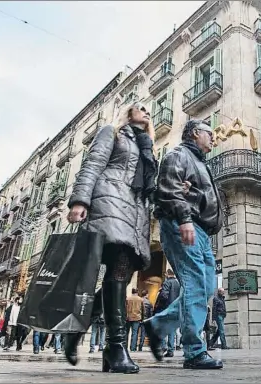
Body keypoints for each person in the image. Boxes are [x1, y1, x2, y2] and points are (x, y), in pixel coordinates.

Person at [65, 102, 157, 374]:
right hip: (111, 202)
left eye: (149, 110)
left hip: (136, 213)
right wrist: (80, 201)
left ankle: (76, 330)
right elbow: (92, 164)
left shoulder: (147, 148)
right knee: (117, 271)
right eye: (142, 107)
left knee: (119, 276)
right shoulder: (112, 132)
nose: (148, 111)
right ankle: (115, 347)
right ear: (129, 113)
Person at [143, 119, 224, 370]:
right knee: (196, 284)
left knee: (207, 286)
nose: (214, 138)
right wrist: (185, 219)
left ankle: (157, 326)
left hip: (200, 230)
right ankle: (194, 351)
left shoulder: (198, 161)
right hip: (183, 225)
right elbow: (168, 190)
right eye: (210, 133)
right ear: (196, 133)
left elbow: (194, 193)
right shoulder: (178, 155)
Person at [153, 269, 180, 357]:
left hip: (167, 308)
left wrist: (160, 306)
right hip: (175, 309)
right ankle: (171, 350)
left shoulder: (167, 283)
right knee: (171, 330)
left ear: (167, 274)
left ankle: (163, 346)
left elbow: (164, 296)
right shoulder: (178, 283)